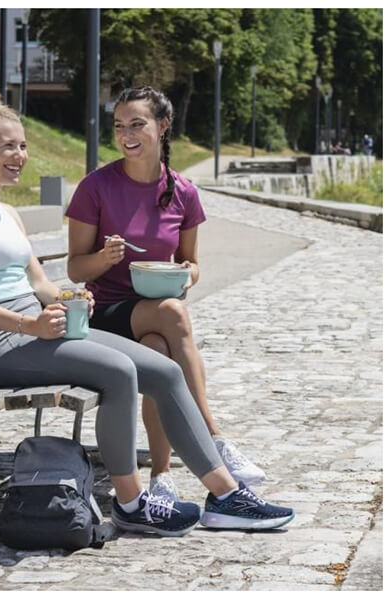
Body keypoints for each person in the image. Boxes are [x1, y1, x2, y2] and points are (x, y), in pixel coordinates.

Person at [0, 86, 295, 537]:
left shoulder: (6, 212)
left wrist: (69, 298)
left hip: (39, 329)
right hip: (3, 344)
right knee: (120, 371)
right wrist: (31, 324)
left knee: (164, 371)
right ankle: (130, 502)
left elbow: (40, 284)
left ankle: (225, 496)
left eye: (23, 146)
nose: (20, 156)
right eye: (9, 147)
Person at [66, 86, 266, 502]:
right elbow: (75, 269)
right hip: (104, 315)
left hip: (151, 315)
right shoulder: (96, 187)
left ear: (163, 126)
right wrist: (104, 258)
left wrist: (186, 275)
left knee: (159, 349)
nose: (126, 135)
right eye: (119, 126)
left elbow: (191, 262)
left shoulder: (183, 192)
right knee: (173, 315)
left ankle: (161, 476)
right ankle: (214, 437)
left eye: (137, 124)